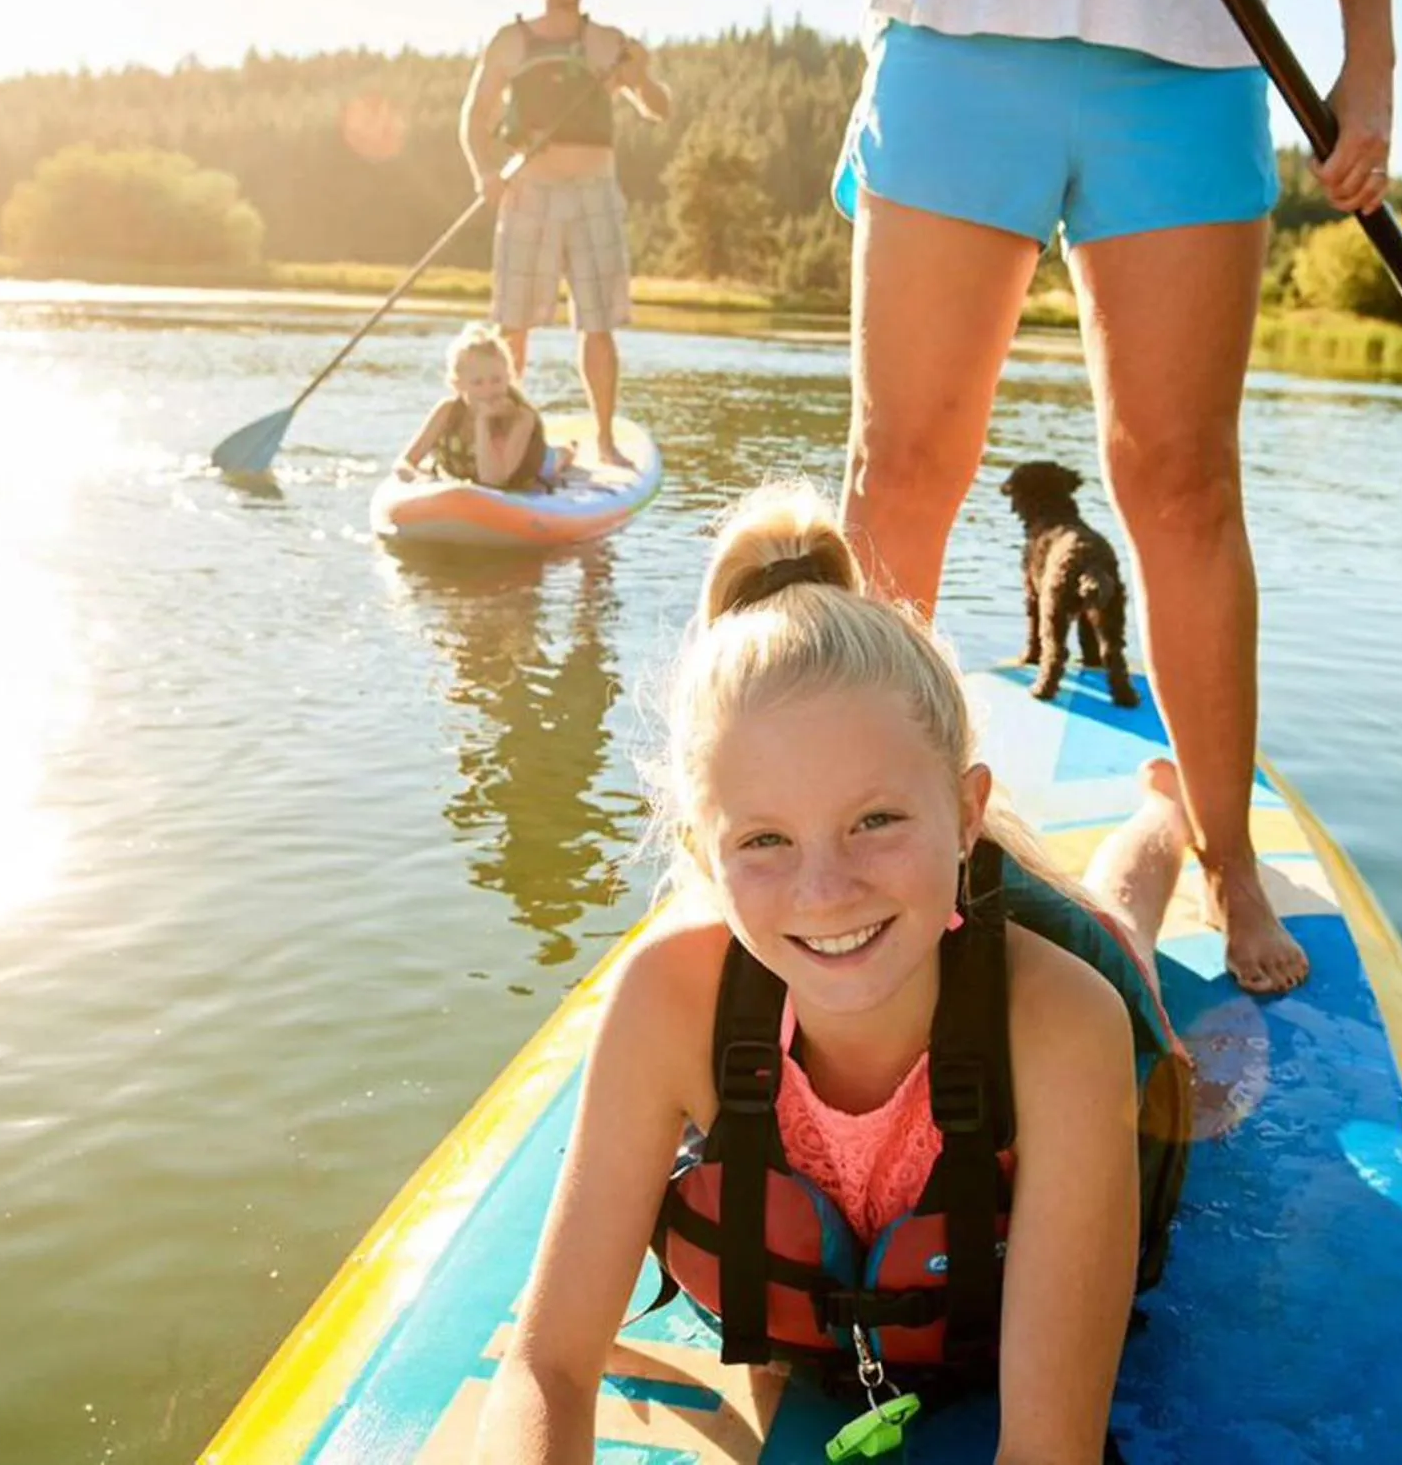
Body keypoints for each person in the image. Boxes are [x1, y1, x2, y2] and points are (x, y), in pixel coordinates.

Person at [477, 483, 1198, 1461]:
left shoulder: (1065, 1021)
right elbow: (548, 1364)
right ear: (703, 849)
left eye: (876, 820)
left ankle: (1167, 814)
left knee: (1126, 924)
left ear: (966, 810)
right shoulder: (668, 1003)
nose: (825, 891)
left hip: (1066, 951)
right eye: (766, 838)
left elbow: (1048, 1451)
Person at [833, 0, 1397, 995]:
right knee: (906, 465)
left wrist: (1372, 59)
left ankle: (1226, 852)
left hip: (1187, 43)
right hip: (957, 10)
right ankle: (851, 834)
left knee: (1181, 480)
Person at [461, 0, 673, 470]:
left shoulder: (606, 44)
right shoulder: (511, 41)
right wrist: (484, 172)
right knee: (514, 323)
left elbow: (659, 109)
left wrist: (642, 74)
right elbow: (475, 118)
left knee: (597, 323)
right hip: (527, 191)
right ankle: (500, 439)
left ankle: (603, 441)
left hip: (593, 194)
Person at [392, 323, 566, 492]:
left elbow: (493, 481)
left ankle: (565, 452)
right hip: (466, 482)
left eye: (496, 380)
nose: (488, 390)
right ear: (458, 385)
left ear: (509, 377)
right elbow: (405, 462)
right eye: (477, 382)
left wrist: (483, 421)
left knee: (551, 463)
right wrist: (417, 480)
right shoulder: (447, 411)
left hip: (521, 471)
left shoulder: (521, 417)